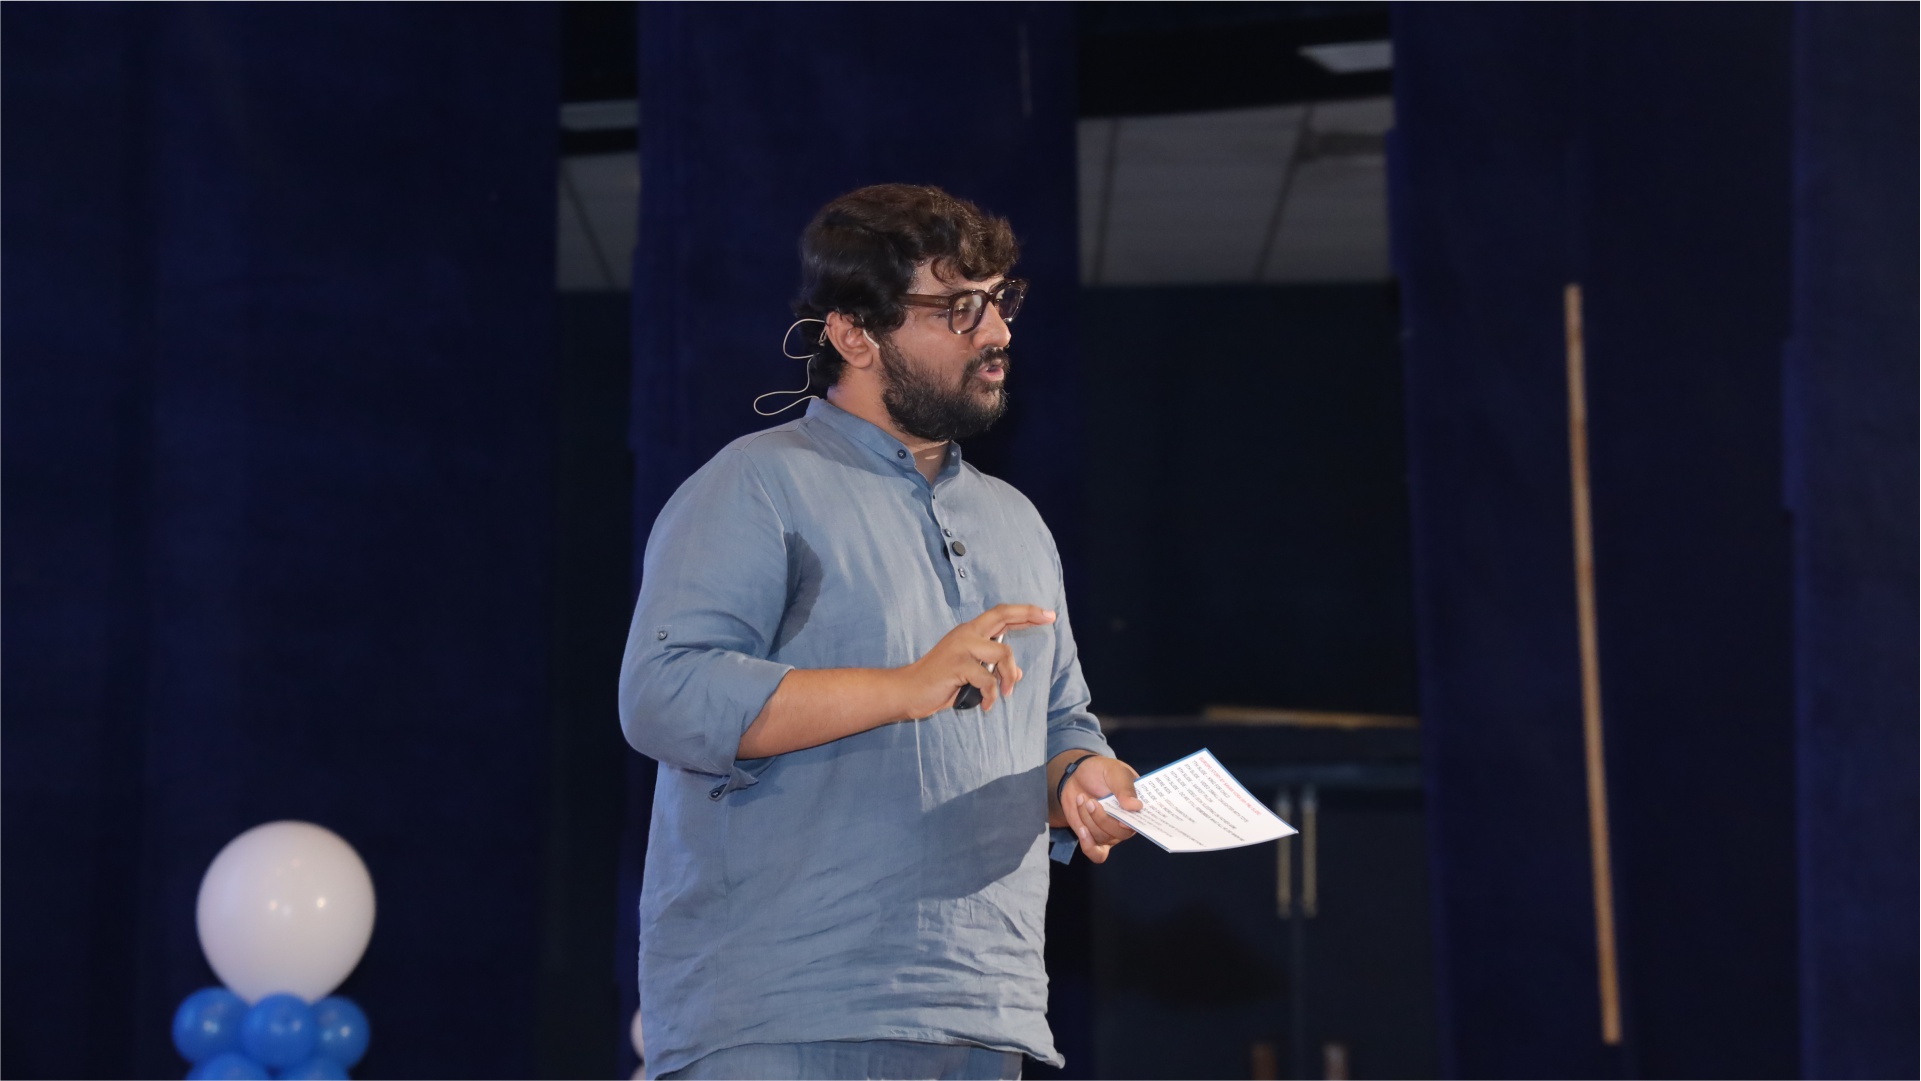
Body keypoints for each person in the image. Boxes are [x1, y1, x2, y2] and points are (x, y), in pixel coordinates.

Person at [619, 183, 1143, 1081]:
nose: (997, 331)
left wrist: (1082, 778)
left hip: (981, 1006)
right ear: (855, 334)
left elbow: (1060, 720)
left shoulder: (1016, 521)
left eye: (1001, 300)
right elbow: (664, 695)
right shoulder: (755, 484)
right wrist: (901, 688)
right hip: (783, 1005)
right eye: (959, 308)